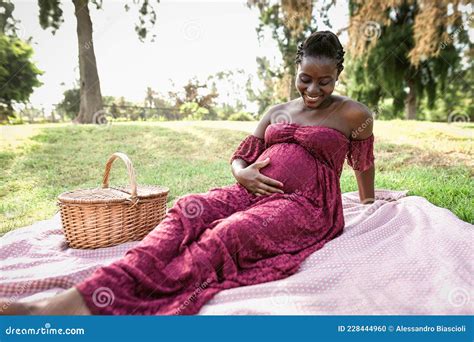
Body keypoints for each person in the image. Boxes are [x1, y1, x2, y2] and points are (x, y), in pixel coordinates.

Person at [1, 30, 374, 316]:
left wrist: (369, 200)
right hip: (252, 191)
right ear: (297, 70)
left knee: (229, 233)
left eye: (324, 81)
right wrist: (241, 174)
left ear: (338, 73)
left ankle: (105, 306)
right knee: (187, 210)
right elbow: (242, 156)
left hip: (305, 204)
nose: (313, 89)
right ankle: (73, 300)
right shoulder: (279, 109)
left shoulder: (354, 114)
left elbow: (363, 161)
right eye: (305, 78)